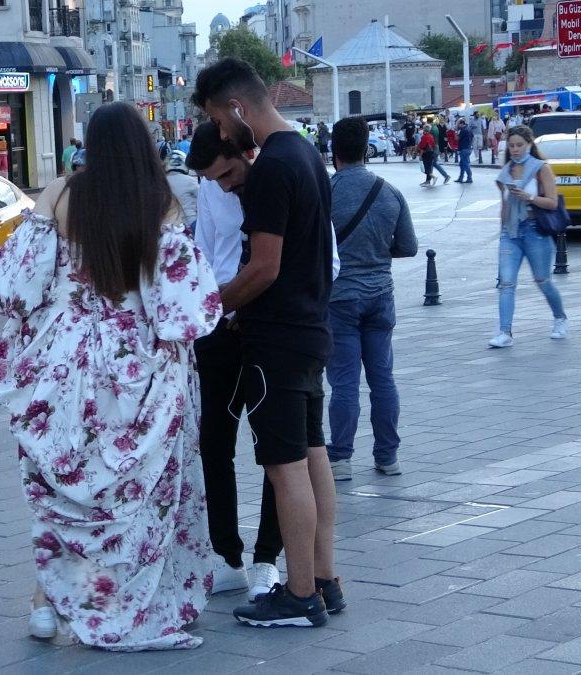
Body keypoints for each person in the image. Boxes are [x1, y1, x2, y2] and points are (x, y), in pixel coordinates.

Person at [0, 101, 220, 650]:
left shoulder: (60, 193)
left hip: (65, 361)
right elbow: (180, 309)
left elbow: (20, 287)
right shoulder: (158, 202)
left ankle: (46, 603)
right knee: (141, 490)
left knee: (62, 490)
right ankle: (135, 601)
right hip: (138, 363)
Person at [193, 57, 340, 628]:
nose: (222, 133)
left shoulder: (274, 167)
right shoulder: (305, 153)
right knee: (312, 455)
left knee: (284, 468)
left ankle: (298, 594)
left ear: (236, 109)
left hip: (276, 340)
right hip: (310, 330)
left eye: (219, 122)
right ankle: (324, 578)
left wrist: (209, 308)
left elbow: (263, 267)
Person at [184, 121, 285, 601]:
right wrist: (205, 309)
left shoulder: (277, 177)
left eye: (226, 175)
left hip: (267, 326)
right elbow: (205, 250)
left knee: (276, 450)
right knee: (214, 443)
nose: (223, 186)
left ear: (244, 154)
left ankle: (267, 560)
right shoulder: (211, 187)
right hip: (219, 327)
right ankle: (227, 555)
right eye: (214, 179)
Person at [325, 117, 419, 482]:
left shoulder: (326, 192)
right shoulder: (389, 192)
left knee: (344, 382)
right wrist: (378, 253)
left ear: (334, 151)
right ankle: (388, 456)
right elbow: (409, 246)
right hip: (380, 295)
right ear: (366, 149)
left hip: (340, 299)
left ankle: (341, 459)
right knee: (383, 379)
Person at [490, 126, 567, 348]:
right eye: (511, 146)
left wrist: (529, 197)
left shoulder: (541, 168)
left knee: (543, 280)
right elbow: (504, 206)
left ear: (529, 144)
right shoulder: (505, 173)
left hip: (535, 230)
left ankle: (560, 318)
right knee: (506, 283)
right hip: (511, 232)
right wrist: (502, 232)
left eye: (519, 145)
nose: (515, 149)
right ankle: (505, 332)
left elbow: (552, 203)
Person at [164, 150, 199, 233]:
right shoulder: (190, 181)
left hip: (170, 223)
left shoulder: (162, 181)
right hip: (190, 222)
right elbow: (203, 198)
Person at [456, 119, 474, 184]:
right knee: (462, 164)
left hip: (463, 149)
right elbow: (473, 137)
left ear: (461, 124)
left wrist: (456, 132)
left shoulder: (462, 130)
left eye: (458, 124)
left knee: (465, 164)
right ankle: (461, 177)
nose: (457, 125)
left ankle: (469, 178)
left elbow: (457, 138)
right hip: (468, 148)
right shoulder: (469, 129)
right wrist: (470, 144)